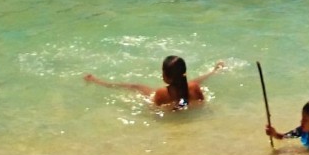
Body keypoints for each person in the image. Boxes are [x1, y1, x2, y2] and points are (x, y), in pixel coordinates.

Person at [84, 56, 225, 109]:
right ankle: (215, 70)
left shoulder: (161, 93)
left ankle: (97, 81)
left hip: (164, 98)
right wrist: (182, 106)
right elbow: (201, 102)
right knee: (196, 82)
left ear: (166, 77)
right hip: (185, 93)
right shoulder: (194, 88)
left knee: (135, 86)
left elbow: (155, 108)